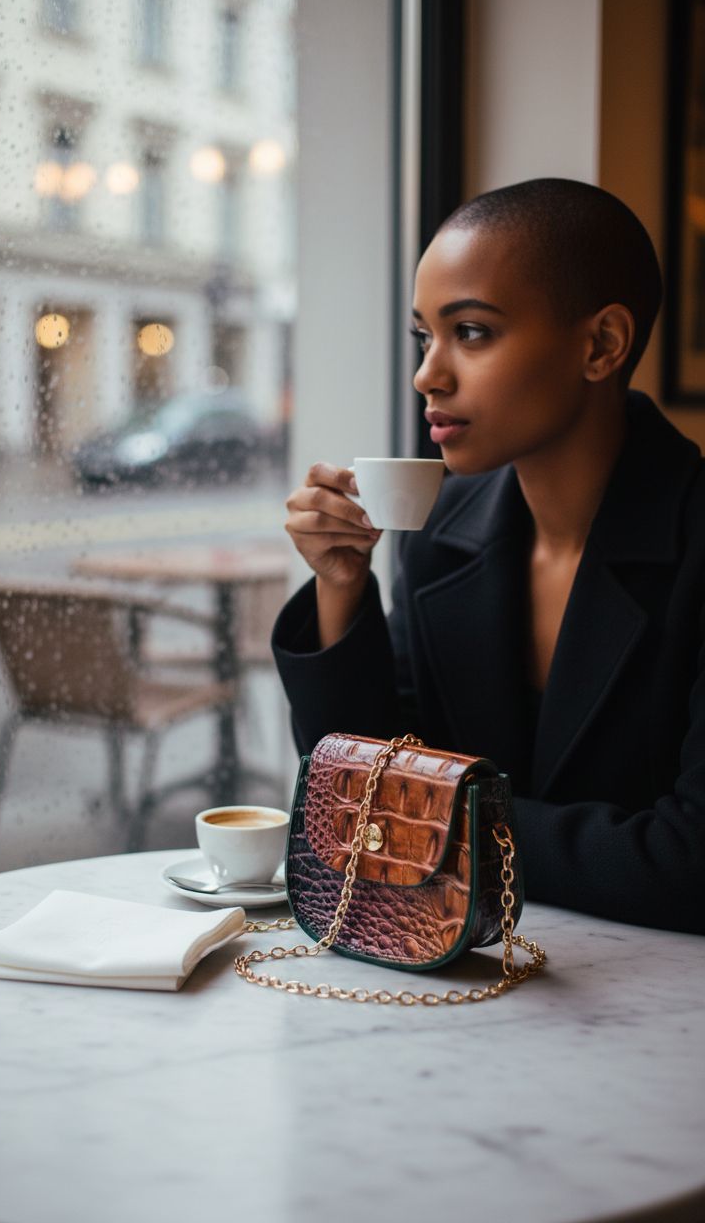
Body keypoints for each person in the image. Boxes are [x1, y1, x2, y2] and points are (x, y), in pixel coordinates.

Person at [273, 177, 705, 935]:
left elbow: (691, 863)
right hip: (458, 976)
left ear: (601, 345)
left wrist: (439, 825)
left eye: (471, 332)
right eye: (424, 336)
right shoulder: (445, 534)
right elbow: (364, 790)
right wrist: (343, 588)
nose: (426, 375)